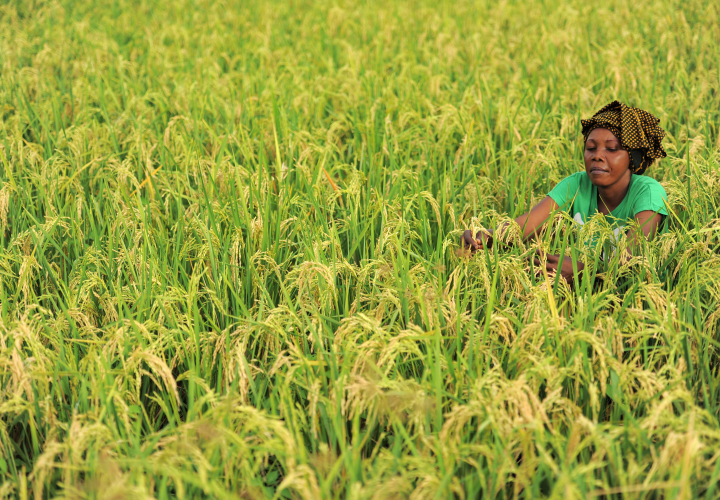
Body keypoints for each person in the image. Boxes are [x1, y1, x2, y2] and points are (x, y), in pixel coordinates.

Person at [461, 101, 669, 283]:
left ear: (631, 158)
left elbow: (629, 262)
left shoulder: (648, 194)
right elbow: (523, 227)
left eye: (611, 149)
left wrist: (584, 271)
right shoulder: (577, 184)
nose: (597, 156)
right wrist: (485, 236)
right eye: (591, 148)